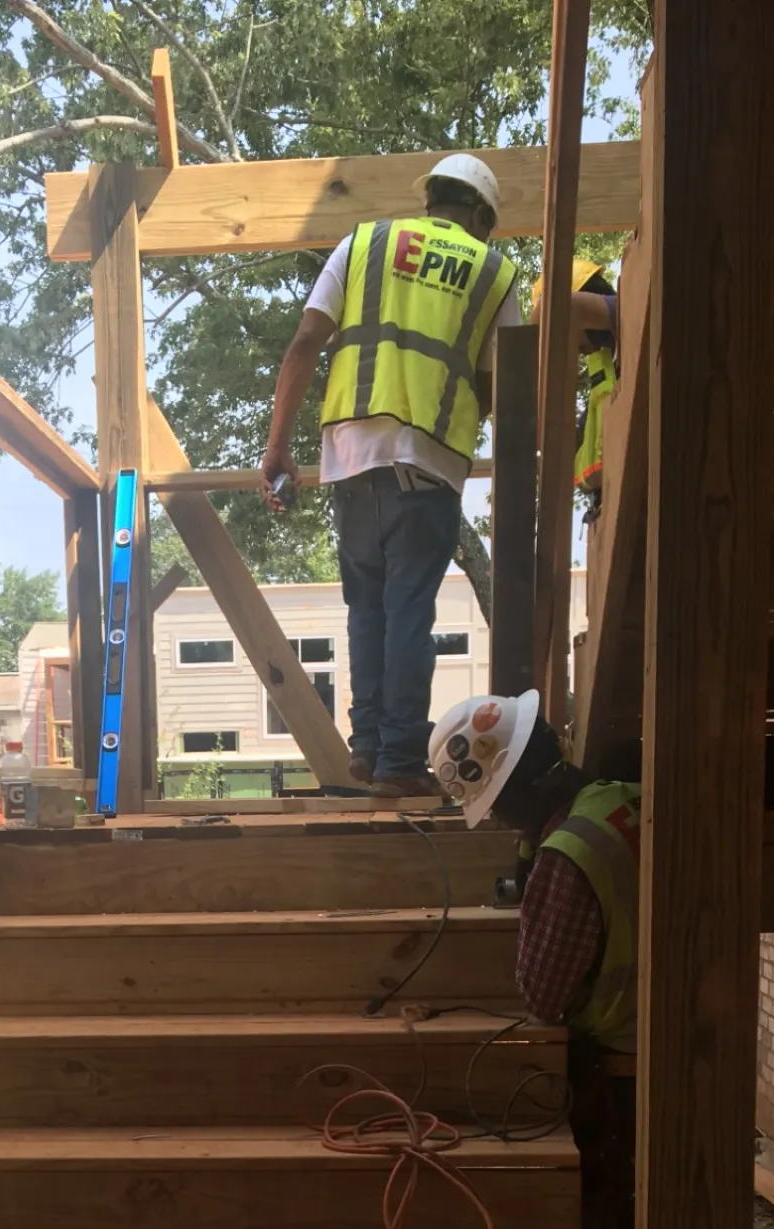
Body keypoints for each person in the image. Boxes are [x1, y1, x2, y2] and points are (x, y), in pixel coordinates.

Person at [429, 688, 639, 1229]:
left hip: (622, 1072)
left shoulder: (565, 854)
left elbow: (547, 994)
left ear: (512, 789)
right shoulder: (621, 803)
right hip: (679, 1049)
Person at [259, 154, 523, 798]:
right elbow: (503, 384)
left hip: (348, 462)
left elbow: (304, 342)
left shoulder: (365, 242)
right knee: (408, 612)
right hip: (427, 465)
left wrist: (277, 448)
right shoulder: (494, 271)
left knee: (365, 611)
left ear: (430, 198)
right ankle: (401, 764)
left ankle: (369, 748)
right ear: (483, 216)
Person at [529, 257, 619, 521]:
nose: (574, 349)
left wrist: (529, 375)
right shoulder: (605, 365)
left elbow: (557, 307)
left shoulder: (631, 311)